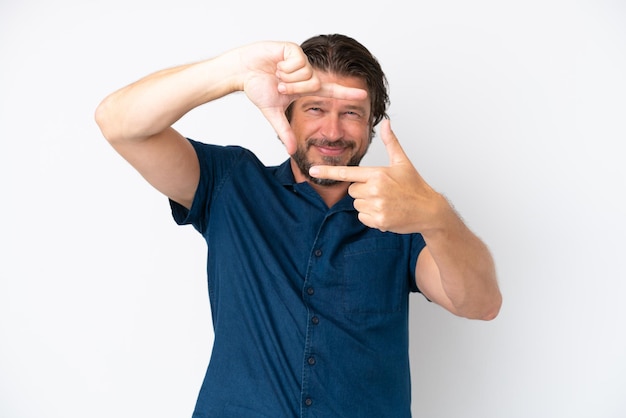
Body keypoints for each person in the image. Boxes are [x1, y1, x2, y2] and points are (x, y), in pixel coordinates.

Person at [95, 33, 502, 418]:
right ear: (286, 111)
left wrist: (436, 213)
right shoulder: (229, 184)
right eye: (315, 108)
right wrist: (233, 71)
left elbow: (480, 304)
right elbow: (119, 124)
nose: (332, 130)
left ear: (372, 123)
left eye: (351, 113)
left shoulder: (406, 219)